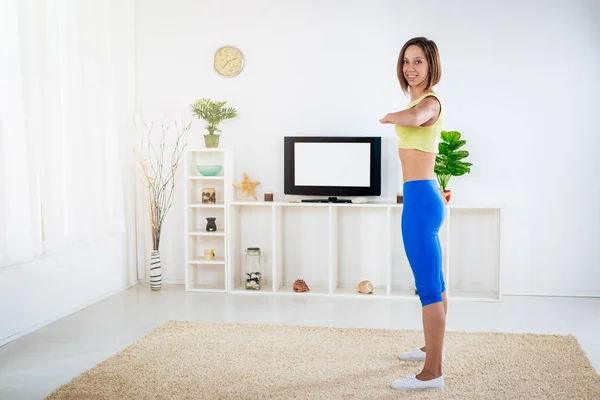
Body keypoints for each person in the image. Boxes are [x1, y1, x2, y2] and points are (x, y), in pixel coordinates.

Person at [379, 36, 447, 391]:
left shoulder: (429, 102)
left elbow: (418, 118)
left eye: (418, 61)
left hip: (421, 201)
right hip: (421, 196)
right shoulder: (418, 99)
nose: (410, 67)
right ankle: (431, 349)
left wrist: (393, 116)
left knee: (428, 288)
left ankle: (432, 372)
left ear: (431, 65)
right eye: (407, 61)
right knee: (436, 281)